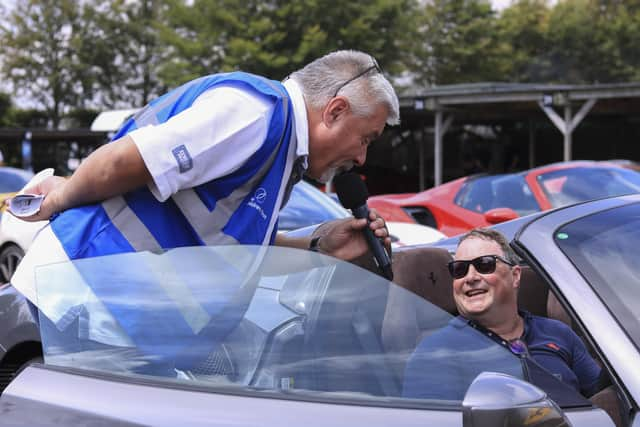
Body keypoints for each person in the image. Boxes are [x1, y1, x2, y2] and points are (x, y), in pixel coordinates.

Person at [9, 50, 399, 362]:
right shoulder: (256, 115)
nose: (362, 159)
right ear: (335, 111)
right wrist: (58, 196)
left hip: (115, 318)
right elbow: (121, 161)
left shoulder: (281, 151)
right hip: (84, 303)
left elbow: (238, 255)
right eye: (366, 139)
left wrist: (319, 247)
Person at [403, 228, 602, 401]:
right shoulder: (435, 352)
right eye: (460, 269)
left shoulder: (559, 333)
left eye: (485, 264)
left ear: (515, 276)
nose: (470, 277)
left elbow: (606, 400)